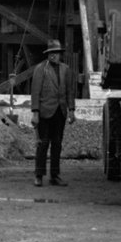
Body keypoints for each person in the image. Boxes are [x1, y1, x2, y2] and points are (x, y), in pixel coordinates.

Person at [27, 40, 79, 187]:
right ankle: (39, 175)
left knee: (57, 144)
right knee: (42, 144)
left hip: (60, 112)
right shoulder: (40, 69)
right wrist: (35, 113)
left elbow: (70, 91)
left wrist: (71, 110)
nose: (53, 56)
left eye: (55, 53)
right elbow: (35, 92)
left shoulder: (66, 69)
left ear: (60, 55)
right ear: (47, 55)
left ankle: (55, 176)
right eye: (51, 53)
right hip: (44, 112)